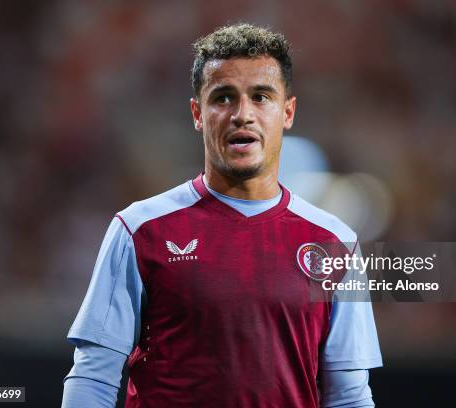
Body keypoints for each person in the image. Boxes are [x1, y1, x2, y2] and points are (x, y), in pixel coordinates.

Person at [62, 23, 382, 407]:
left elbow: (347, 395)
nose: (242, 114)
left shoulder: (335, 243)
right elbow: (94, 376)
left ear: (288, 112)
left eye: (261, 97)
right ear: (198, 112)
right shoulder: (139, 229)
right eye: (223, 98)